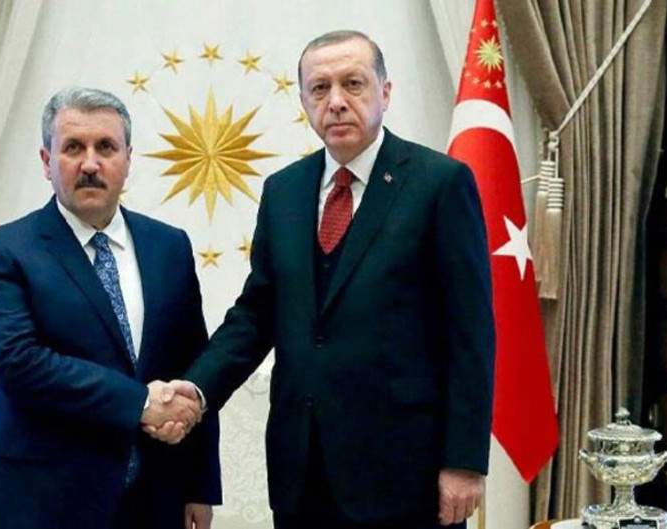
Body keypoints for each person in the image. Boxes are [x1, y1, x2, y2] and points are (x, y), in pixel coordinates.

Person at [150, 30, 495, 529]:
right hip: (301, 473)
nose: (335, 101)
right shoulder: (284, 191)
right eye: (319, 88)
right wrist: (195, 392)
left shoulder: (440, 183)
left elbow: (471, 333)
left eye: (353, 83)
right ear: (304, 101)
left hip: (407, 475)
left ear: (385, 92)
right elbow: (256, 315)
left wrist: (464, 461)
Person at [0, 86, 221, 529]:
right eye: (72, 148)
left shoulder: (169, 247)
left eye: (105, 147)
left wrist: (199, 485)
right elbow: (16, 363)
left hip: (151, 500)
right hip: (39, 502)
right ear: (46, 161)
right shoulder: (4, 251)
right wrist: (140, 402)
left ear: (128, 159)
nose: (90, 164)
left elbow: (193, 364)